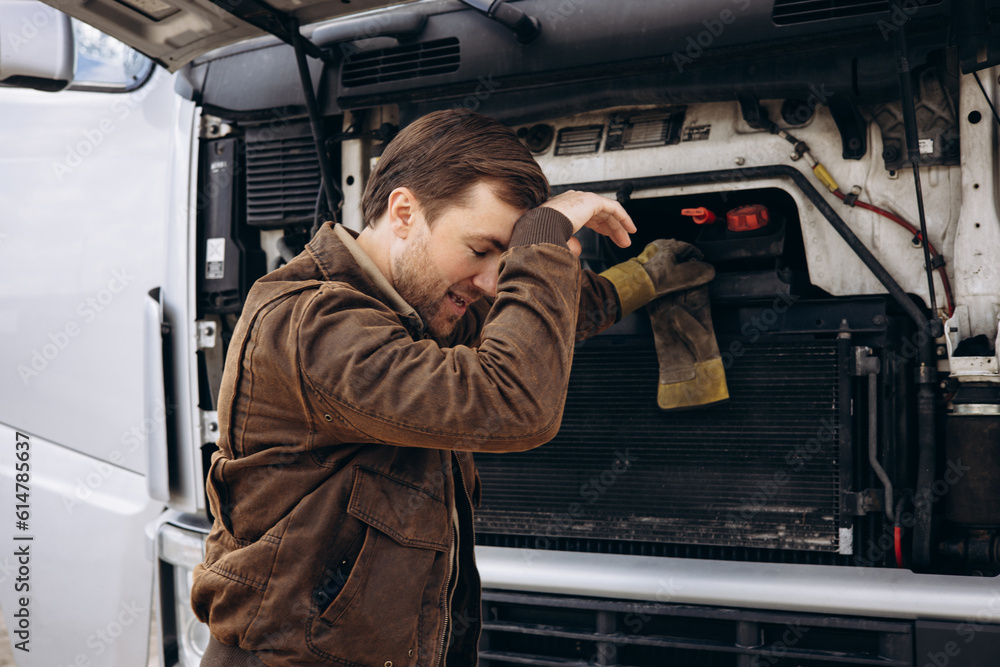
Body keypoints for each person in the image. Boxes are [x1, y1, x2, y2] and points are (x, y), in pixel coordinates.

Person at [192, 109, 698, 667]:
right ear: (404, 212)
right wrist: (543, 241)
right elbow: (511, 402)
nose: (488, 282)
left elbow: (533, 327)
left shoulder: (416, 310)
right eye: (481, 250)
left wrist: (646, 277)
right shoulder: (312, 323)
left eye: (505, 262)